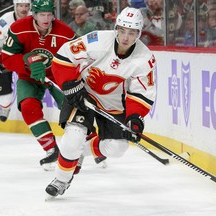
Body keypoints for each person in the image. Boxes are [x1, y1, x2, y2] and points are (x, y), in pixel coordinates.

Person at [45, 6, 157, 198]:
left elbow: (141, 93)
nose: (125, 37)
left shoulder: (144, 59)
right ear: (116, 28)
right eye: (122, 30)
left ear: (139, 33)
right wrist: (71, 84)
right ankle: (61, 180)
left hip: (114, 104)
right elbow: (65, 56)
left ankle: (81, 153)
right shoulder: (97, 39)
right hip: (83, 94)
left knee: (117, 147)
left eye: (131, 33)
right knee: (73, 137)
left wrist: (135, 118)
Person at [0, 0, 76, 170]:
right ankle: (51, 149)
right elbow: (7, 58)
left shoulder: (65, 33)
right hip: (29, 77)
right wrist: (27, 62)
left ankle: (85, 147)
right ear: (33, 14)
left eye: (49, 14)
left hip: (57, 76)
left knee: (72, 109)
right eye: (42, 14)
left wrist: (64, 73)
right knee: (28, 107)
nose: (46, 18)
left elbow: (77, 58)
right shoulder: (18, 28)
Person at [0, 0, 31, 122]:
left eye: (26, 6)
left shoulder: (36, 19)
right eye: (21, 6)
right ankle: (5, 106)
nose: (24, 9)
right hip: (6, 56)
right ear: (15, 6)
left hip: (27, 57)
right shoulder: (4, 22)